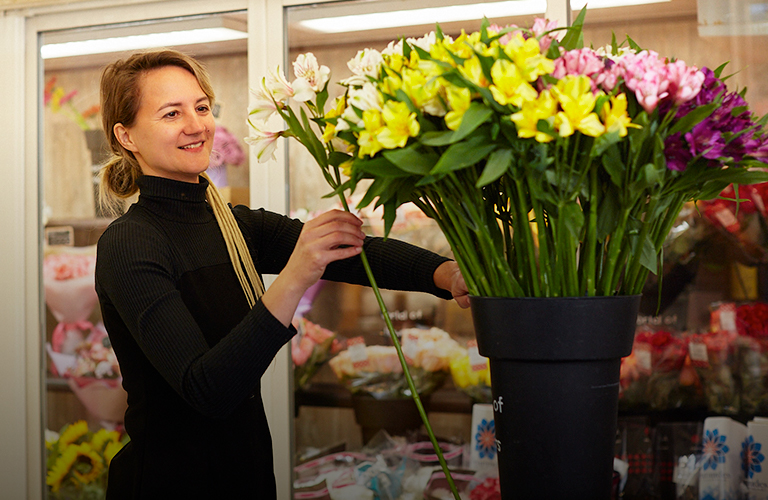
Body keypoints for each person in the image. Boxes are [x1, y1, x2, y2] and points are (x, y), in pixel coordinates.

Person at [94, 49, 469, 499]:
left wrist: (445, 275)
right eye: (171, 113)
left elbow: (351, 252)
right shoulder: (130, 243)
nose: (196, 125)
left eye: (201, 107)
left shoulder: (233, 225)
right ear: (126, 135)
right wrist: (295, 275)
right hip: (169, 483)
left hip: (246, 474)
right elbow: (206, 389)